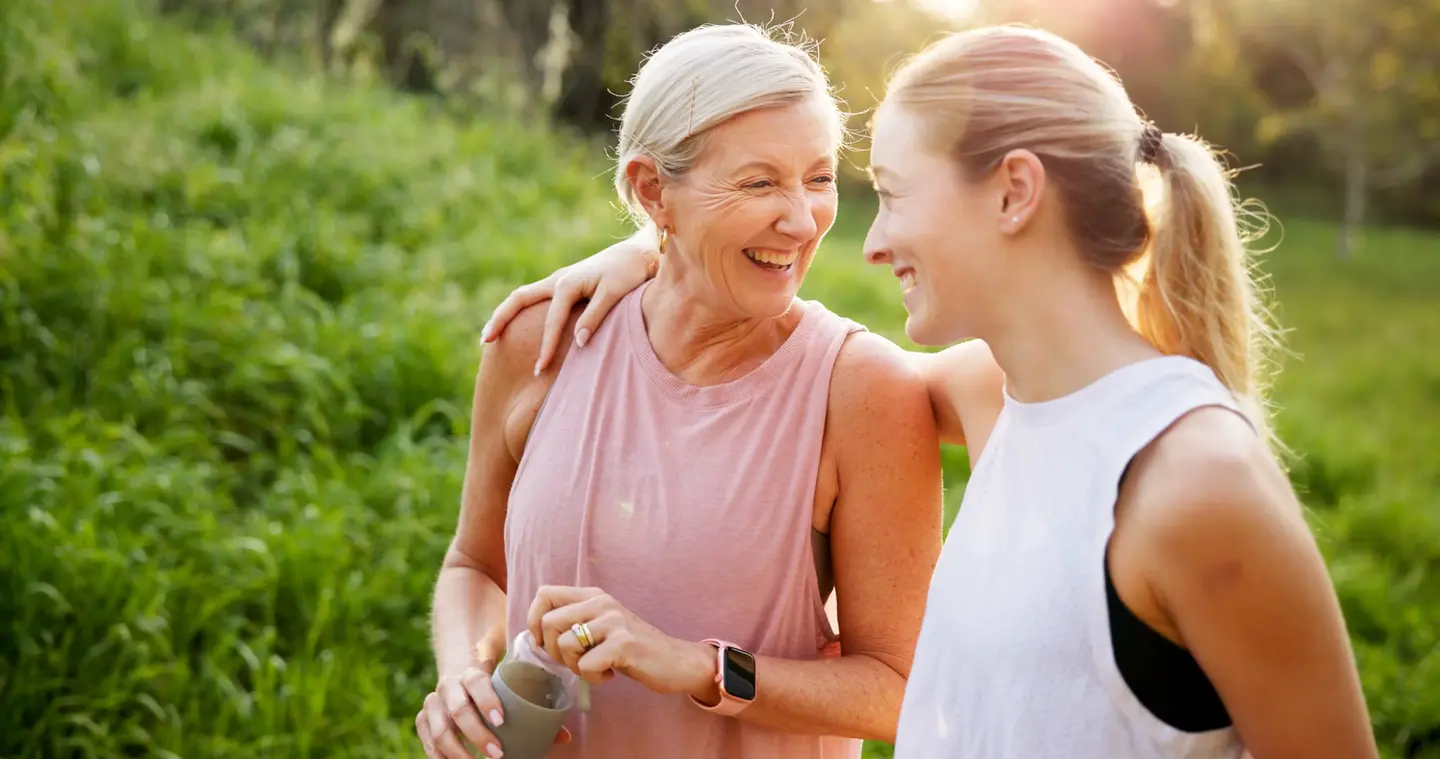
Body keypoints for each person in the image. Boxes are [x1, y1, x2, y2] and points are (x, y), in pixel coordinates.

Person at [479, 24, 1379, 759]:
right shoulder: (1001, 396)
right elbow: (766, 363)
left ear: (1015, 193)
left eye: (896, 196)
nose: (868, 243)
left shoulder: (1193, 486)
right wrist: (656, 247)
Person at [417, 23, 945, 759]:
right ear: (650, 189)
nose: (802, 220)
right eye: (759, 182)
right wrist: (463, 676)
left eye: (818, 177)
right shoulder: (538, 341)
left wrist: (701, 665)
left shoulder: (862, 389)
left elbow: (902, 688)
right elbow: (475, 566)